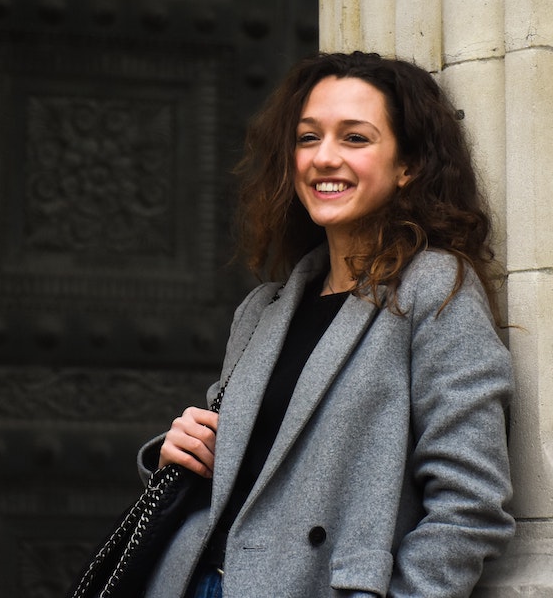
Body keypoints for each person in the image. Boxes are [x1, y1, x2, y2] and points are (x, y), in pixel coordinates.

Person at [135, 52, 514, 597]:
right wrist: (181, 451)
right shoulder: (264, 309)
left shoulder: (432, 289)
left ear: (407, 165)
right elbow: (250, 481)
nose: (324, 158)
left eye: (355, 138)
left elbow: (470, 502)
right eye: (308, 138)